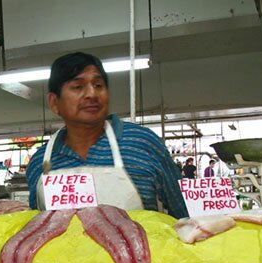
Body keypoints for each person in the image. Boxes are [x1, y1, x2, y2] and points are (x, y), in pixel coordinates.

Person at [26, 52, 188, 219]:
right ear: (54, 102)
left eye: (98, 85)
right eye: (78, 87)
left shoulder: (142, 142)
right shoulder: (40, 162)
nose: (92, 94)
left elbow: (186, 213)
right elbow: (37, 227)